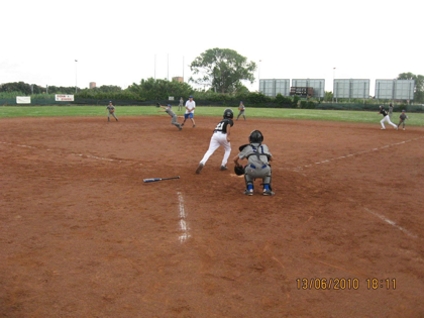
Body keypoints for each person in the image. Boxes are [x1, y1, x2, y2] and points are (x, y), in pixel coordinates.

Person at [233, 130, 274, 196]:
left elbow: (234, 159)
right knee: (268, 167)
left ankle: (250, 189)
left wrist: (238, 166)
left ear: (250, 139)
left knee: (246, 168)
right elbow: (272, 159)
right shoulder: (265, 146)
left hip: (251, 171)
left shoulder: (247, 147)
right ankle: (266, 189)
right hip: (264, 171)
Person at [195, 109, 234, 174]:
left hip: (215, 135)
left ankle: (202, 162)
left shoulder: (221, 121)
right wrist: (228, 136)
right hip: (223, 135)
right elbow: (228, 125)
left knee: (210, 150)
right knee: (228, 149)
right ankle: (223, 165)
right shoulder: (229, 120)